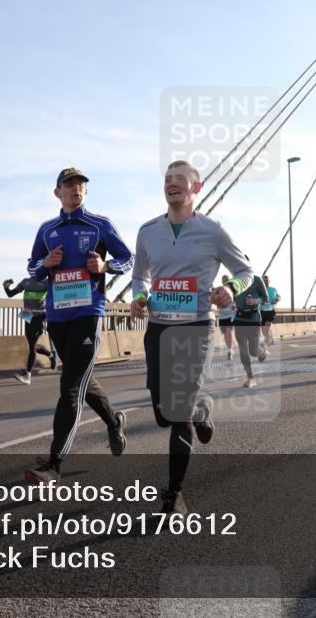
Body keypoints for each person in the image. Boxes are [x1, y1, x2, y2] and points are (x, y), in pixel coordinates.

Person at [131, 160, 253, 516]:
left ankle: (174, 494)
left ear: (195, 189)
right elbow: (141, 276)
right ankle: (202, 408)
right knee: (161, 412)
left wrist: (231, 288)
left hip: (197, 327)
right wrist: (139, 297)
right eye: (167, 179)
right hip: (159, 326)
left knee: (178, 409)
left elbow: (246, 271)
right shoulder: (148, 231)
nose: (172, 184)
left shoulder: (214, 231)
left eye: (180, 179)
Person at [24, 167, 134, 484]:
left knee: (70, 388)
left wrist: (105, 265)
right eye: (69, 185)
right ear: (57, 192)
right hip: (58, 317)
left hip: (89, 312)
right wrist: (46, 264)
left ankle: (54, 464)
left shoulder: (100, 225)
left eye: (81, 185)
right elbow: (32, 266)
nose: (76, 189)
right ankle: (114, 423)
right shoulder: (47, 230)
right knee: (84, 382)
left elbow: (127, 258)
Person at [3, 276, 58, 383]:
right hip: (27, 314)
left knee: (32, 345)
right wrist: (6, 288)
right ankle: (51, 355)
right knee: (32, 345)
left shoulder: (46, 281)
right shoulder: (25, 281)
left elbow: (56, 295)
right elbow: (11, 294)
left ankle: (27, 375)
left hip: (40, 315)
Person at [234, 276, 269, 388]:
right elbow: (231, 298)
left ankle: (261, 351)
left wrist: (254, 301)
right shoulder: (234, 280)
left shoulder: (257, 280)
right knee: (243, 350)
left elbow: (265, 298)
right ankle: (250, 378)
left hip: (253, 318)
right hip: (239, 319)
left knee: (253, 352)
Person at [260, 275, 282, 346]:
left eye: (267, 280)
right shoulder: (259, 290)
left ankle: (266, 343)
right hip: (261, 311)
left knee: (266, 328)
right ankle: (270, 337)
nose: (265, 282)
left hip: (270, 311)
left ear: (269, 281)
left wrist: (277, 300)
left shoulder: (273, 289)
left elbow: (278, 297)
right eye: (264, 281)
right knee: (263, 330)